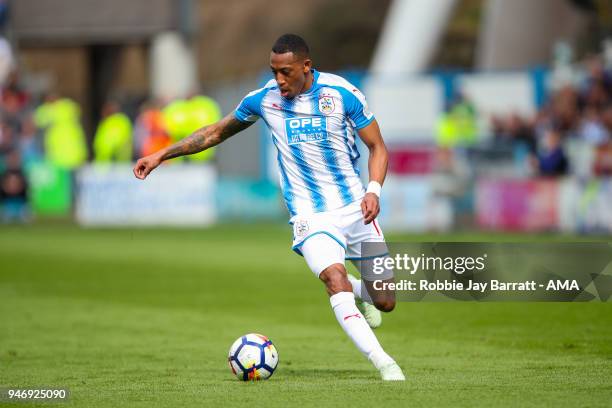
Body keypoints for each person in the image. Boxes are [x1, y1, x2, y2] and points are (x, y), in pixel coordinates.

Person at [133, 34, 405, 381]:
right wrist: (160, 154)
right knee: (333, 279)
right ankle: (386, 364)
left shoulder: (342, 94)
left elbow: (377, 147)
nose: (279, 80)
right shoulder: (264, 100)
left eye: (286, 72)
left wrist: (374, 191)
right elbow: (215, 133)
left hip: (356, 209)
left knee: (385, 301)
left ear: (306, 67)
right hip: (310, 215)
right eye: (273, 72)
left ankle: (358, 290)